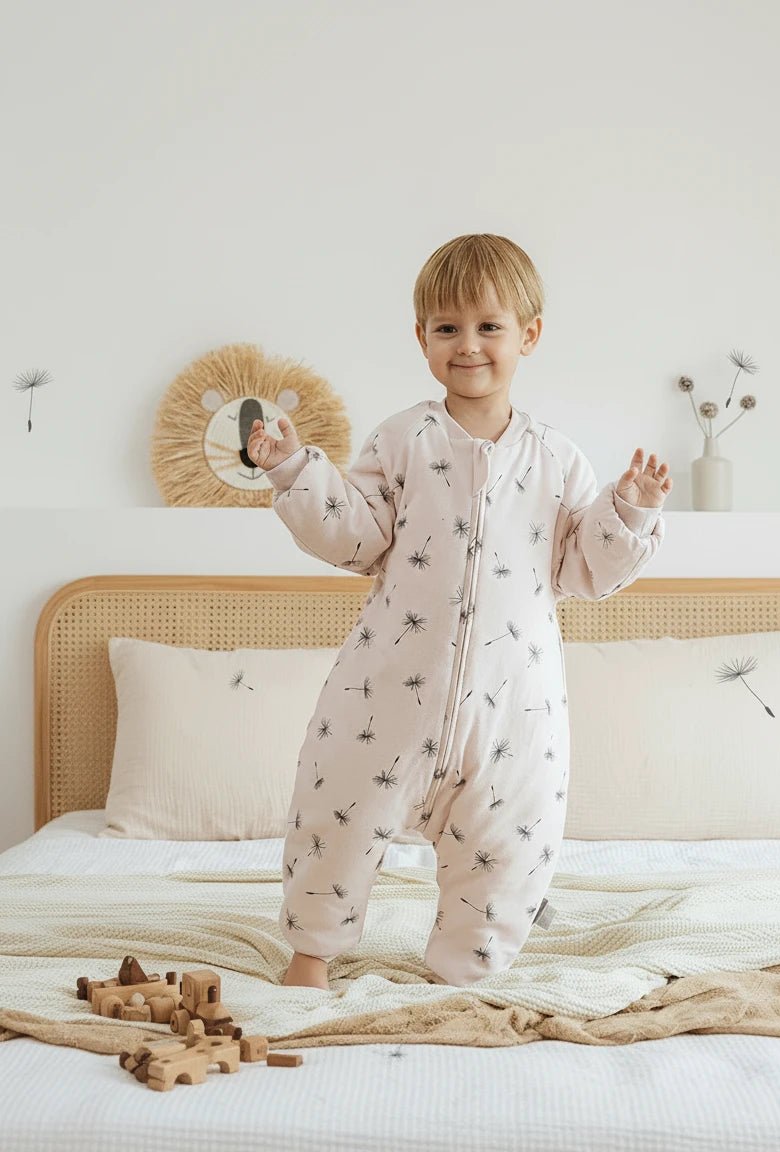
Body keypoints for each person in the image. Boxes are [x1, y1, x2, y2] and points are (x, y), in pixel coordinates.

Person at [248, 233, 672, 990]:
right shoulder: (403, 439)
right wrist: (292, 468)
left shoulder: (556, 459)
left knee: (510, 846)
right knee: (334, 819)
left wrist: (630, 513)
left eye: (488, 326)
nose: (467, 345)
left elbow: (583, 568)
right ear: (421, 339)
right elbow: (355, 534)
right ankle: (310, 955)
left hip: (514, 713)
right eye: (446, 328)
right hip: (384, 696)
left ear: (529, 336)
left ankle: (464, 975)